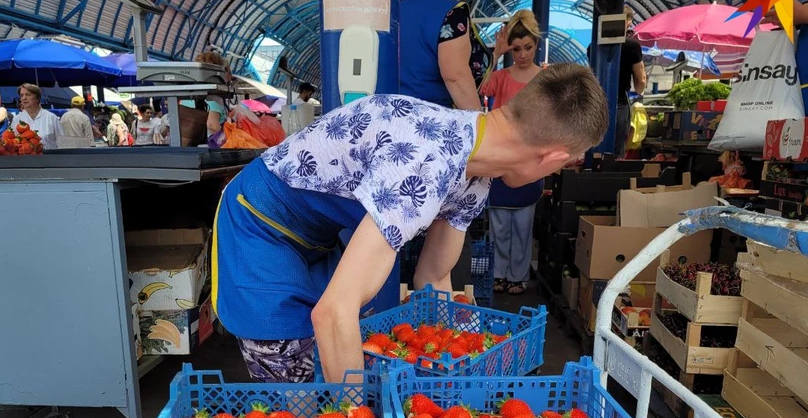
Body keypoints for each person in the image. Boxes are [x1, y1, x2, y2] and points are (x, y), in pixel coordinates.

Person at [212, 64, 609, 383]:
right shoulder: (422, 165)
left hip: (316, 233)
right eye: (572, 160)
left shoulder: (476, 171)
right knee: (292, 380)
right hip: (259, 224)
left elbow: (433, 279)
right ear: (554, 158)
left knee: (336, 353)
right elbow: (333, 313)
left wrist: (465, 362)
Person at [480, 10, 544, 296]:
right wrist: (496, 54)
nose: (522, 54)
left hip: (530, 161)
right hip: (501, 160)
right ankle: (499, 273)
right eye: (516, 49)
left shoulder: (545, 78)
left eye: (527, 47)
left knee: (523, 224)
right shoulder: (501, 77)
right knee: (500, 224)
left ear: (536, 45)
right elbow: (479, 87)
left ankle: (517, 275)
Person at [398, 0, 490, 110]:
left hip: (394, 120)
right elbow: (456, 78)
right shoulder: (452, 12)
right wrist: (480, 125)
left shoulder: (393, 12)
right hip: (434, 122)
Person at [616, 7, 646, 157]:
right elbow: (640, 79)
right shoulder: (632, 46)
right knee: (617, 148)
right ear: (629, 22)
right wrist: (638, 96)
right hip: (620, 102)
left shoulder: (593, 45)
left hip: (596, 103)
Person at [12, 83, 62, 150]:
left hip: (49, 158)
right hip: (25, 158)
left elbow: (61, 142)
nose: (24, 98)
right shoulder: (17, 119)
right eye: (21, 95)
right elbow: (13, 143)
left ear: (37, 98)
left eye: (28, 95)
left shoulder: (51, 118)